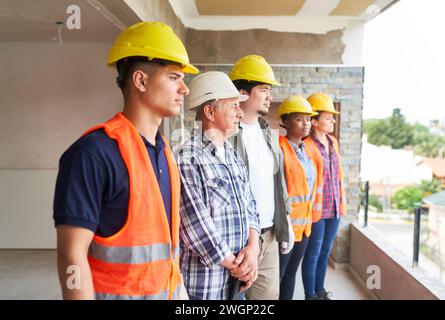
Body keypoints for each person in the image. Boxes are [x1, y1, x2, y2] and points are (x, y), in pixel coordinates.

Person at [53, 21, 198, 300]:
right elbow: (71, 256)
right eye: (174, 77)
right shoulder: (92, 153)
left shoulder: (164, 152)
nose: (184, 89)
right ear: (141, 80)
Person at [177, 71, 260, 300]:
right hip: (206, 289)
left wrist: (253, 251)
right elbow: (196, 228)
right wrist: (241, 267)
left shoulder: (233, 155)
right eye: (233, 106)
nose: (240, 113)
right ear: (210, 111)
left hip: (236, 283)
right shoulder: (189, 158)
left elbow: (250, 206)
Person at [229, 55, 294, 300]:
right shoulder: (226, 136)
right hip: (237, 240)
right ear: (244, 94)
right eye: (264, 89)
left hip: (269, 236)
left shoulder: (269, 134)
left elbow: (278, 183)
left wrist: (285, 221)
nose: (269, 96)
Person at [302, 93, 347, 300]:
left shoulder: (333, 142)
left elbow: (337, 176)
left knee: (325, 252)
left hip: (335, 207)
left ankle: (320, 291)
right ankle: (310, 295)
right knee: (312, 254)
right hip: (317, 210)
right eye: (328, 117)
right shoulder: (307, 146)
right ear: (314, 121)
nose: (333, 121)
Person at [277, 95, 318, 300]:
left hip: (304, 227)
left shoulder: (306, 151)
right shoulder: (279, 148)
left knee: (290, 274)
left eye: (308, 119)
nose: (306, 124)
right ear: (285, 122)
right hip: (286, 227)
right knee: (278, 276)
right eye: (299, 119)